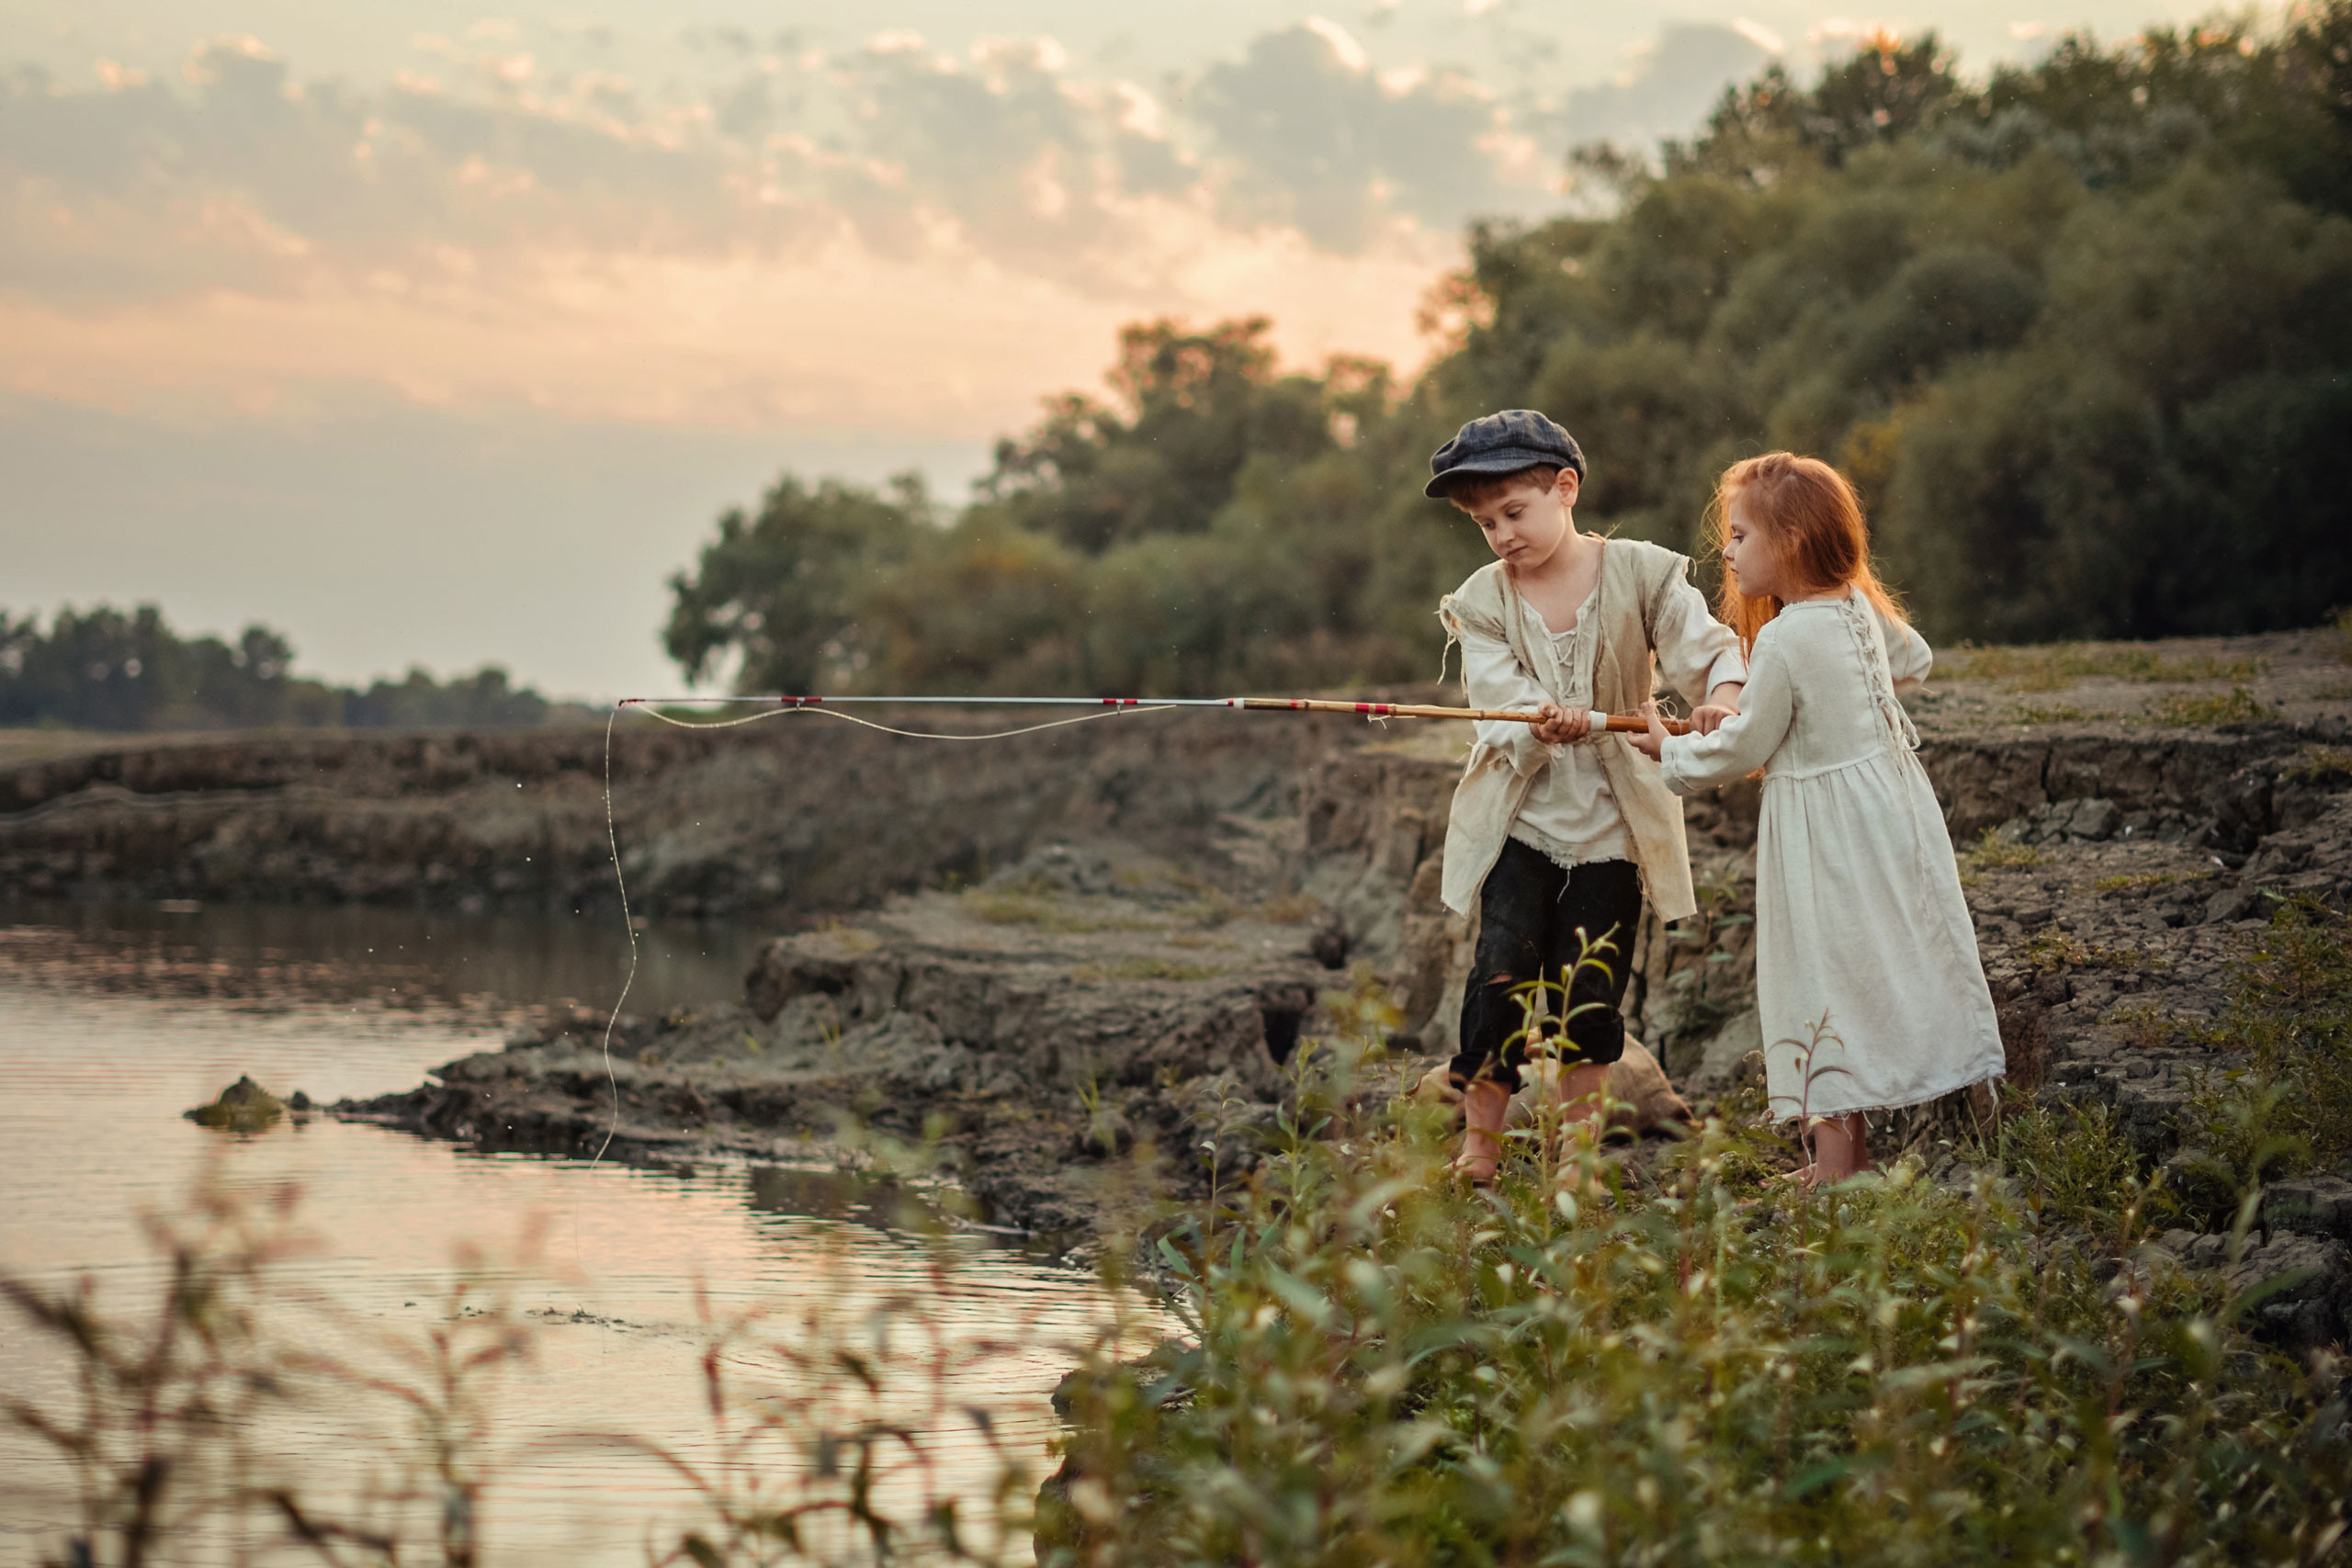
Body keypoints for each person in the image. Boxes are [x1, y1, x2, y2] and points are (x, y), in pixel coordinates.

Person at [1627, 452, 2005, 1185]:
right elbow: (1914, 658)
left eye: (1740, 536)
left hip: (1821, 833)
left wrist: (1669, 747)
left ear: (1792, 539)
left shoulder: (1785, 636)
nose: (1727, 552)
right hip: (1886, 812)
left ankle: (1835, 1165)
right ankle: (1849, 1157)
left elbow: (1745, 748)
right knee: (1860, 971)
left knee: (1818, 980)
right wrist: (1820, 713)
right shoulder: (1857, 609)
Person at [1430, 410, 1747, 1184]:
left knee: (1589, 985)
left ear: (1566, 488)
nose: (1502, 535)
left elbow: (1710, 651)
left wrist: (1723, 700)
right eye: (1485, 524)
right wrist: (1537, 719)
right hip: (1521, 825)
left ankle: (1577, 1153)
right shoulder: (1482, 600)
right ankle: (1480, 1147)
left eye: (1514, 512)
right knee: (1499, 977)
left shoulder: (1643, 572)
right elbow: (1497, 704)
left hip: (1612, 832)